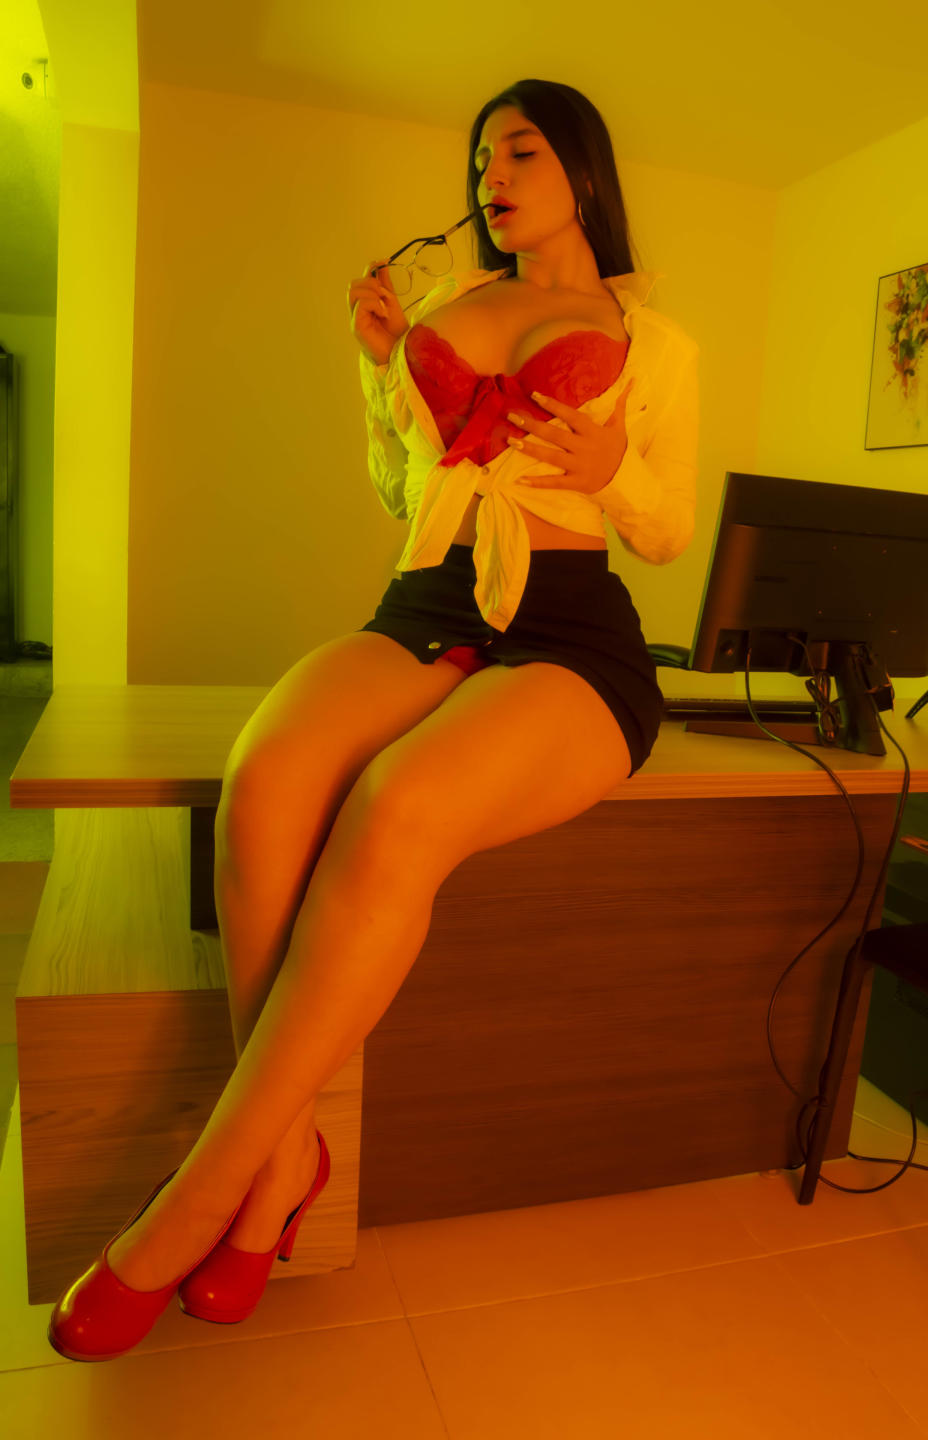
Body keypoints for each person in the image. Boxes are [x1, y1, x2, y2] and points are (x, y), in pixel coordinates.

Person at [48, 79, 700, 1362]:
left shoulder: (656, 338)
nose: (492, 176)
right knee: (267, 776)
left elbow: (670, 526)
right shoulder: (445, 308)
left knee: (398, 804)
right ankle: (286, 1159)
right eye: (481, 158)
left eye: (519, 151)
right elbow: (406, 491)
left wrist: (612, 469)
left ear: (582, 168)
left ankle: (202, 1197)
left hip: (572, 629)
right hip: (428, 603)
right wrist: (374, 371)